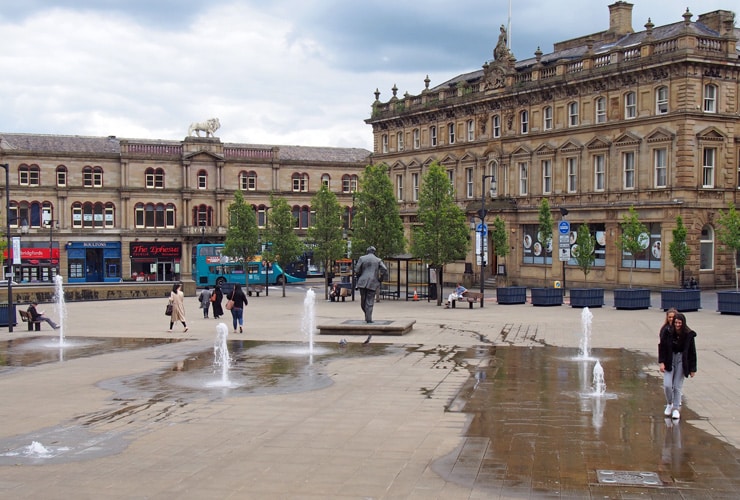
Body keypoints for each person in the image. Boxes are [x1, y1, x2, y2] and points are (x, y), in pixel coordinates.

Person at [658, 312, 697, 420]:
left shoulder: (688, 334)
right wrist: (661, 362)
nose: (677, 325)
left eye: (679, 323)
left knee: (677, 386)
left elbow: (692, 352)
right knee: (667, 384)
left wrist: (692, 369)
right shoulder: (668, 332)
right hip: (669, 359)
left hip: (681, 360)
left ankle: (675, 408)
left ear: (683, 323)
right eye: (676, 322)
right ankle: (669, 403)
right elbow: (662, 347)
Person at [354, 246, 388, 327]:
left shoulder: (362, 258)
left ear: (367, 251)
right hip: (373, 281)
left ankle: (368, 318)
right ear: (374, 252)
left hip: (362, 281)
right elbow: (385, 269)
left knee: (363, 301)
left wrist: (360, 276)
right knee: (369, 301)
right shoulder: (378, 260)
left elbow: (357, 270)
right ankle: (368, 317)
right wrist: (380, 278)